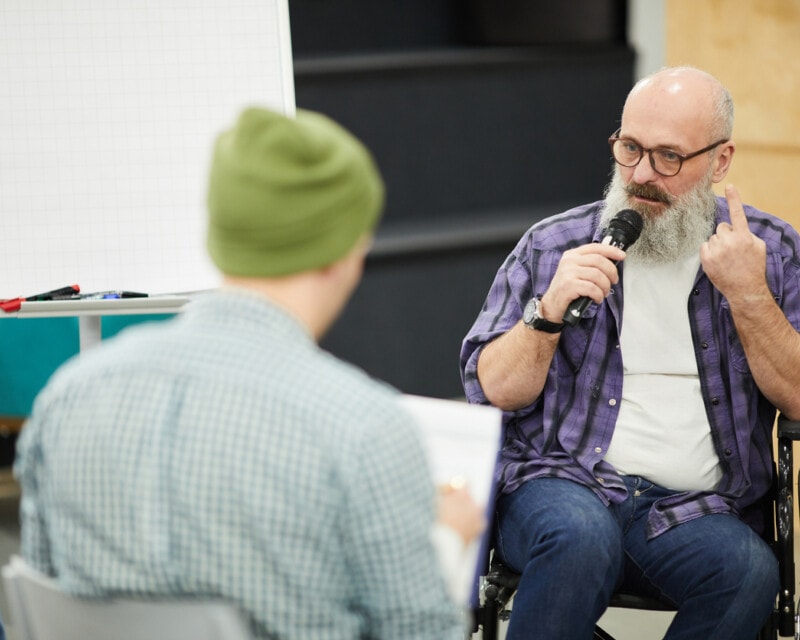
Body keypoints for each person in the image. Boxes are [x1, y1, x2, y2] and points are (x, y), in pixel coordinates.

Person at [14, 107, 470, 639]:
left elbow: (40, 600)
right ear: (343, 250)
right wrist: (445, 542)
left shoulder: (68, 396)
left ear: (219, 235)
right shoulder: (363, 428)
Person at [460, 65, 800, 639]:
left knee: (745, 571)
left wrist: (748, 295)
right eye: (630, 148)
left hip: (696, 509)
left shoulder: (768, 251)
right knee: (576, 540)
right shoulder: (555, 245)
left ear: (719, 161)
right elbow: (488, 390)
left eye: (668, 156)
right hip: (560, 482)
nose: (641, 174)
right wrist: (545, 314)